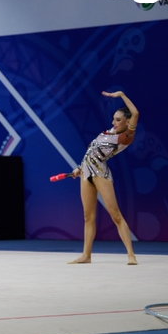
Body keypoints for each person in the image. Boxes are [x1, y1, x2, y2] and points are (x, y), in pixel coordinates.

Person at [69, 91, 139, 265]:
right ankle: (86, 255)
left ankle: (131, 255)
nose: (113, 122)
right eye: (113, 119)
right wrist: (79, 168)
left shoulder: (125, 137)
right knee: (88, 216)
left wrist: (122, 95)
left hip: (101, 173)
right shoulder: (108, 132)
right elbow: (91, 151)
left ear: (128, 122)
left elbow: (136, 113)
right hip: (86, 173)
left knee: (115, 215)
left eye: (118, 120)